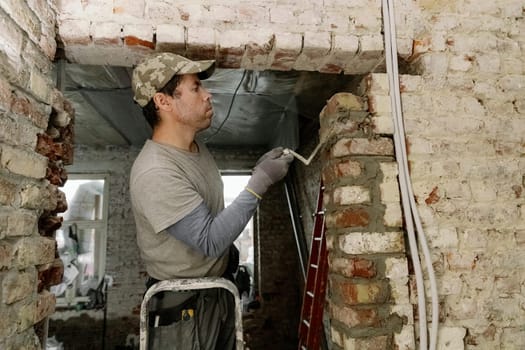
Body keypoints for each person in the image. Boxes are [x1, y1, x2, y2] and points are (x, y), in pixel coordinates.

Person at [129, 52, 294, 349]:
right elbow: (208, 240)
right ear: (163, 101)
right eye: (195, 88)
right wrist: (260, 182)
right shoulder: (156, 171)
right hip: (183, 309)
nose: (207, 95)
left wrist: (258, 172)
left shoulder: (195, 149)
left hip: (214, 293)